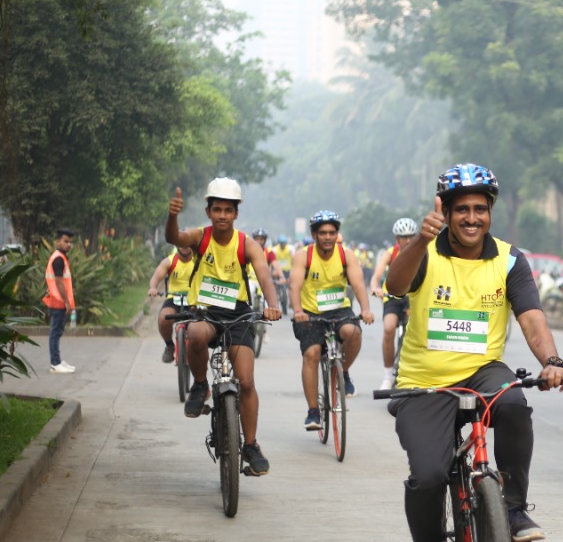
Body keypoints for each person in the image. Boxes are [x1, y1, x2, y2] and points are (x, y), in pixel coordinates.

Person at [383, 163, 563, 542]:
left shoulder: (509, 259)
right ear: (444, 212)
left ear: (491, 212)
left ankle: (513, 506)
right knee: (428, 475)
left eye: (480, 209)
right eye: (461, 209)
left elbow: (531, 317)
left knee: (514, 403)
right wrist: (419, 242)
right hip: (423, 381)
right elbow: (395, 284)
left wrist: (552, 360)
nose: (471, 218)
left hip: (482, 369)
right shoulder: (424, 251)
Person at [165, 179, 282, 475]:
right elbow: (175, 237)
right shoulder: (199, 238)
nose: (221, 215)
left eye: (227, 210)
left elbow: (265, 277)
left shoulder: (246, 244)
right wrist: (173, 216)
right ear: (208, 211)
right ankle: (201, 384)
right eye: (216, 209)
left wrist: (272, 303)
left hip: (239, 314)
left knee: (246, 381)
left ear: (236, 214)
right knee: (195, 333)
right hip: (205, 312)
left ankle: (251, 445)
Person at [289, 211, 375, 428]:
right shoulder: (303, 256)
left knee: (353, 333)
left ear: (337, 234)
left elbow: (357, 284)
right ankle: (313, 412)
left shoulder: (347, 255)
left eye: (332, 233)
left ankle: (343, 371)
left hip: (339, 310)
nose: (328, 237)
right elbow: (295, 286)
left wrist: (366, 309)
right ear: (314, 234)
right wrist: (298, 310)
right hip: (310, 313)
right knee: (312, 353)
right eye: (323, 233)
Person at [369, 218, 418, 391]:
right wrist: (375, 288)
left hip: (413, 298)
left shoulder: (421, 252)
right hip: (392, 297)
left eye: (411, 236)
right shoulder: (390, 253)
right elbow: (377, 275)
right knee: (389, 329)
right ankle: (388, 376)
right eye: (404, 237)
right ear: (397, 239)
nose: (408, 240)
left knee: (418, 332)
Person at [146, 245, 196, 363]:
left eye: (188, 243)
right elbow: (156, 276)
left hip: (195, 299)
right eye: (181, 243)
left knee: (201, 324)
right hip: (174, 298)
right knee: (163, 318)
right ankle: (169, 345)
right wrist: (153, 288)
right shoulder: (169, 261)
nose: (185, 246)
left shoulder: (199, 260)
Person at [43, 227, 78, 374]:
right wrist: (67, 302)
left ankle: (57, 361)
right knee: (55, 332)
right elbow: (58, 282)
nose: (68, 244)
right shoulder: (58, 259)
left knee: (57, 332)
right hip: (58, 302)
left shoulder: (60, 257)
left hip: (57, 300)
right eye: (65, 241)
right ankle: (55, 364)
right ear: (58, 242)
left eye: (70, 242)